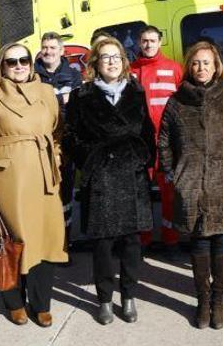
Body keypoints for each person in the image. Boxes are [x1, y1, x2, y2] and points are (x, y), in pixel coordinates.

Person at [158, 41, 223, 329]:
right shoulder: (177, 102)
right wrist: (171, 174)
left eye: (207, 63)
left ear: (216, 66)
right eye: (196, 63)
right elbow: (164, 141)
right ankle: (202, 301)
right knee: (199, 240)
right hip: (190, 184)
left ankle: (219, 302)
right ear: (189, 66)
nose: (201, 68)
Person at [0, 42, 68, 327]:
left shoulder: (46, 92)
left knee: (46, 239)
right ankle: (13, 302)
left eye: (24, 60)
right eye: (11, 62)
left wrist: (57, 160)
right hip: (8, 180)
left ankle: (41, 304)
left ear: (32, 62)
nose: (19, 66)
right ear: (2, 66)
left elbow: (56, 131)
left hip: (44, 177)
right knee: (12, 240)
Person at [64, 37, 155, 325]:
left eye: (116, 57)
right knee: (102, 245)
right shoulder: (82, 96)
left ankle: (128, 296)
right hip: (101, 177)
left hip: (130, 176)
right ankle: (104, 298)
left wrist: (143, 159)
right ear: (95, 64)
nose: (112, 62)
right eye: (105, 57)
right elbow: (71, 136)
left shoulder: (136, 92)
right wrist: (89, 160)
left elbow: (147, 133)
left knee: (131, 243)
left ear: (124, 62)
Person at [129, 25, 183, 257]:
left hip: (166, 144)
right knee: (139, 194)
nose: (148, 44)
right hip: (139, 144)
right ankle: (143, 240)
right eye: (144, 41)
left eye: (152, 40)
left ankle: (171, 240)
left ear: (160, 42)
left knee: (169, 194)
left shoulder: (174, 69)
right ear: (139, 43)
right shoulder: (129, 71)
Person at [34, 32, 83, 254]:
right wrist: (61, 99)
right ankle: (45, 242)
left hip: (65, 142)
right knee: (42, 192)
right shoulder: (32, 75)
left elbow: (78, 106)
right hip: (39, 143)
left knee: (65, 193)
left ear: (62, 51)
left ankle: (64, 243)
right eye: (45, 47)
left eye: (53, 48)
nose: (48, 52)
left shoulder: (73, 76)